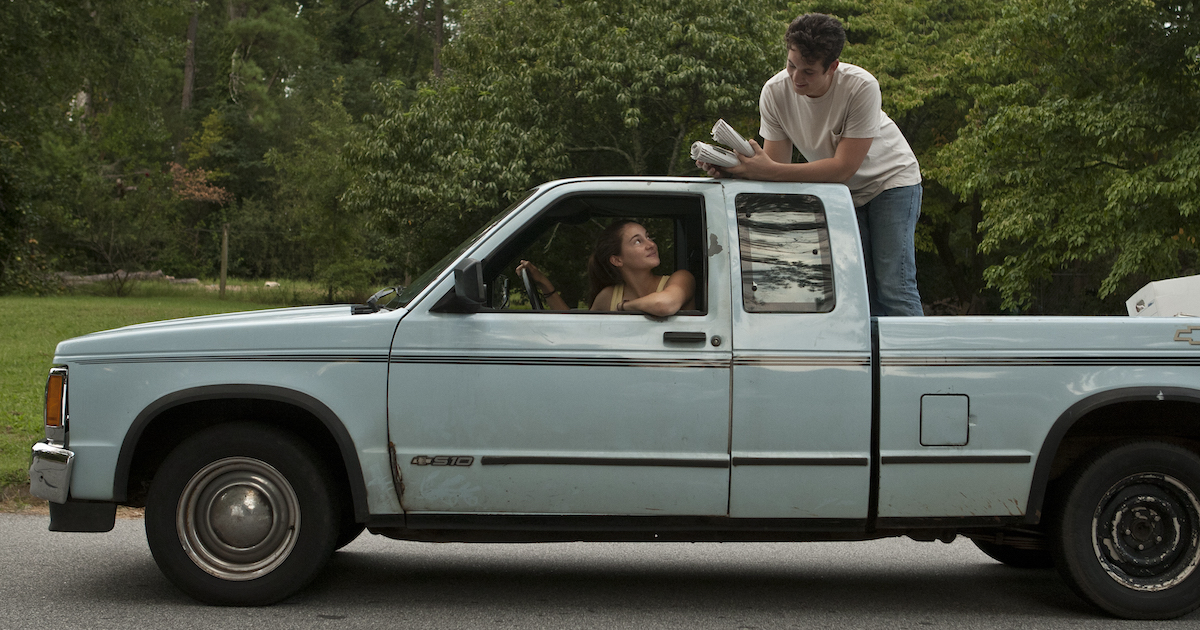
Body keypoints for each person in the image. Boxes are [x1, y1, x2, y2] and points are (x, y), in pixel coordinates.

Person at [697, 13, 923, 317]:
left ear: (832, 66)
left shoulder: (861, 86)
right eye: (791, 65)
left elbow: (843, 168)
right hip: (840, 193)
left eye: (808, 71)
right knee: (859, 293)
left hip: (890, 182)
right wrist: (735, 171)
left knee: (893, 286)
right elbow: (774, 170)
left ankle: (911, 364)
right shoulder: (775, 92)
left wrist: (765, 170)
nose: (796, 78)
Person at [515, 220, 695, 316]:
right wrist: (544, 283)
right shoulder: (609, 296)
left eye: (648, 237)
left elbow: (663, 305)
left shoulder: (681, 278)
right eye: (638, 241)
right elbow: (576, 327)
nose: (651, 244)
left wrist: (625, 307)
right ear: (617, 260)